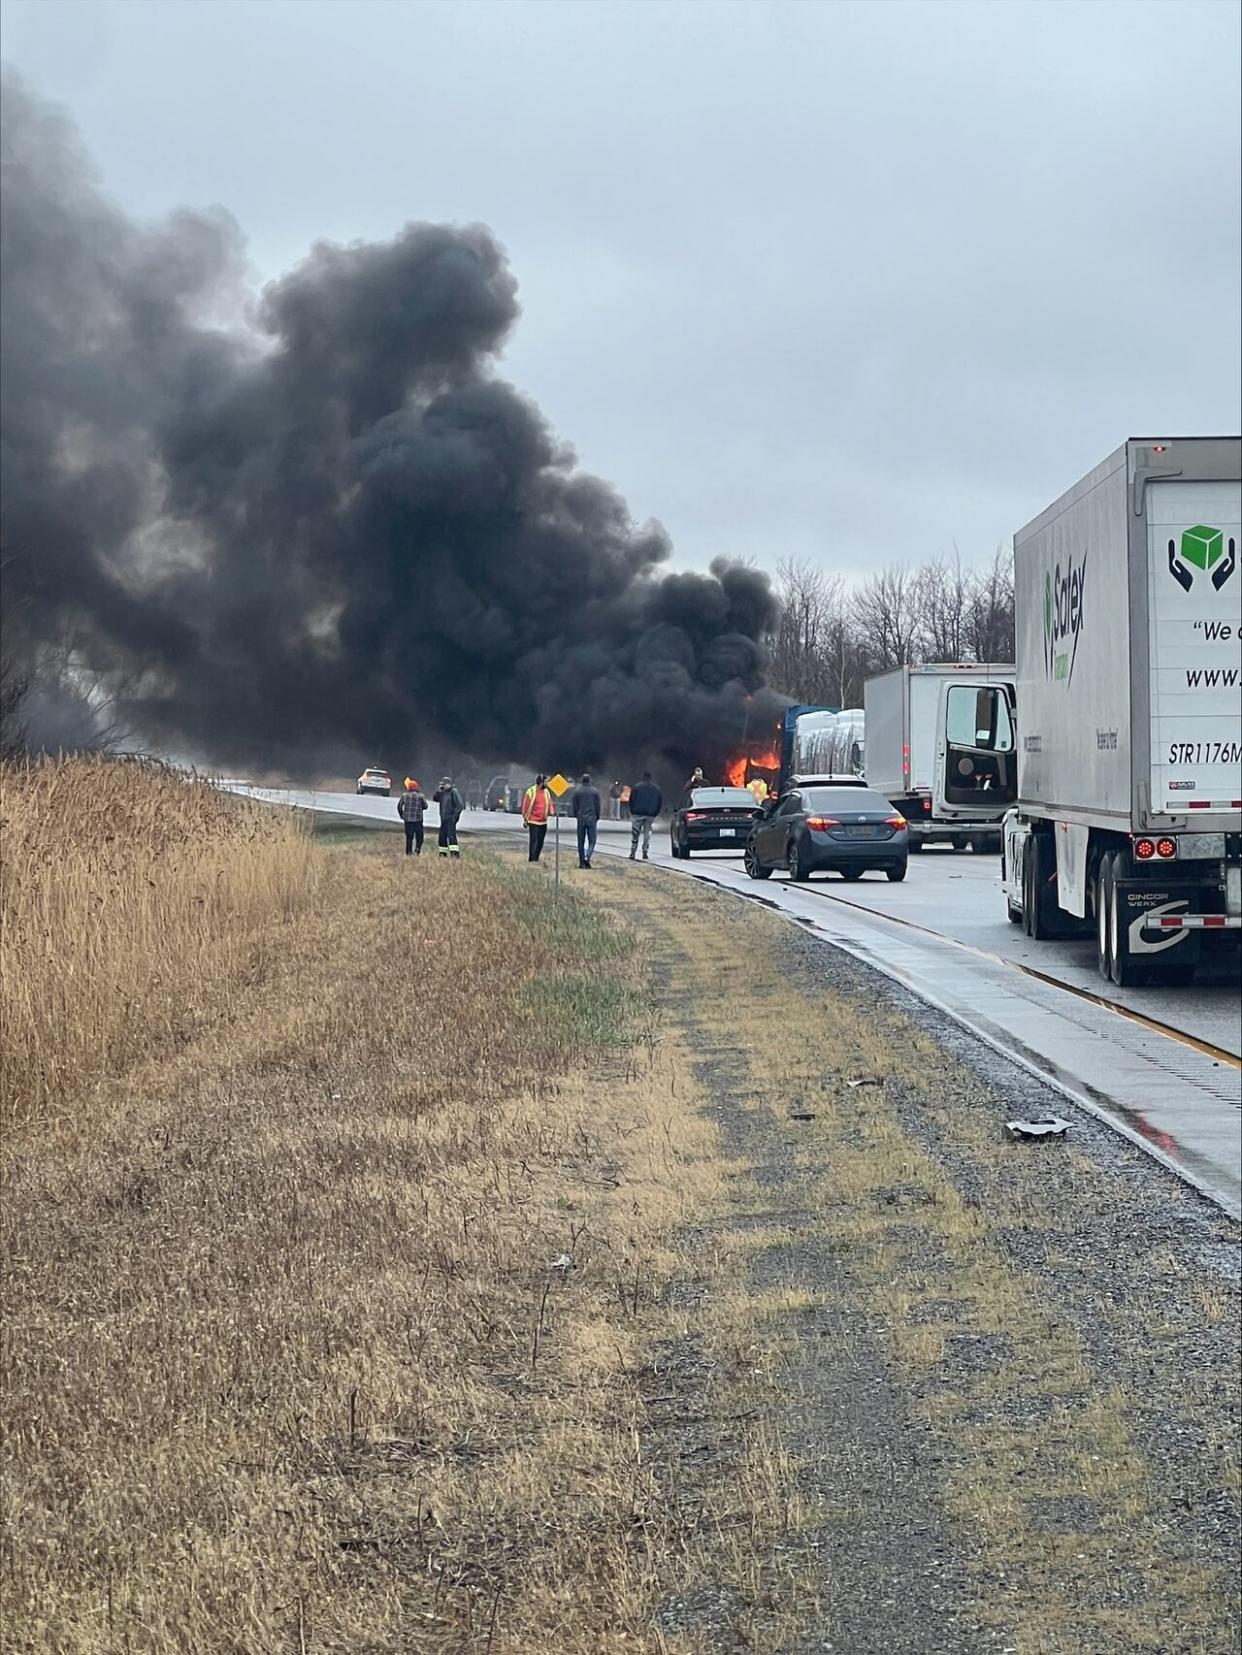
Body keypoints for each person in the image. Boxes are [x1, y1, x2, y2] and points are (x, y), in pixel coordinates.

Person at [568, 772, 603, 868]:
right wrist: (597, 816)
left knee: (580, 841)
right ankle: (588, 856)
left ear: (582, 781)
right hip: (592, 818)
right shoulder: (595, 792)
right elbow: (598, 806)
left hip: (581, 818)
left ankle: (582, 863)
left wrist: (576, 815)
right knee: (592, 840)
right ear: (590, 781)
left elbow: (574, 806)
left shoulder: (577, 792)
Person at [627, 771, 663, 861]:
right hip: (650, 815)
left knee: (635, 834)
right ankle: (645, 852)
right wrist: (655, 813)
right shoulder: (656, 789)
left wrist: (632, 811)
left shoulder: (636, 787)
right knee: (647, 834)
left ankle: (633, 852)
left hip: (637, 814)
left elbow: (631, 800)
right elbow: (659, 803)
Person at [522, 773, 555, 862]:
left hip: (543, 821)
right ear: (541, 782)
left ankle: (536, 858)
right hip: (533, 821)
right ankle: (532, 859)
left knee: (540, 841)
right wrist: (525, 819)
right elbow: (525, 806)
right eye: (545, 782)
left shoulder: (546, 792)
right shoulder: (531, 791)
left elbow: (550, 802)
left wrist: (551, 811)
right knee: (534, 841)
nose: (547, 784)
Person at [432, 776, 464, 858]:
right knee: (442, 837)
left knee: (451, 836)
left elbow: (460, 805)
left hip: (450, 818)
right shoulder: (443, 792)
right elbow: (435, 799)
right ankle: (443, 854)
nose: (442, 786)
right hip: (443, 818)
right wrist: (438, 791)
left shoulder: (454, 792)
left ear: (449, 784)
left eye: (444, 784)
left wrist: (454, 817)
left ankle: (455, 854)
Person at [396, 776, 427, 856]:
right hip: (418, 820)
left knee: (409, 837)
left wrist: (402, 815)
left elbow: (399, 806)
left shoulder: (405, 795)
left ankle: (408, 852)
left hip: (408, 820)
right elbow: (425, 806)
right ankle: (417, 850)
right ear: (416, 787)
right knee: (419, 837)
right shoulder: (420, 796)